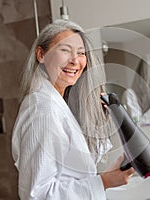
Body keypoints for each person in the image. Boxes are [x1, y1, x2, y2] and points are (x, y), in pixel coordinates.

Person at [12, 19, 134, 200]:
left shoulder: (58, 103)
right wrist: (104, 182)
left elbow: (69, 170)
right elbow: (37, 194)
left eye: (81, 53)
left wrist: (109, 174)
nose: (75, 60)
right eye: (65, 50)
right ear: (41, 55)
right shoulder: (43, 111)